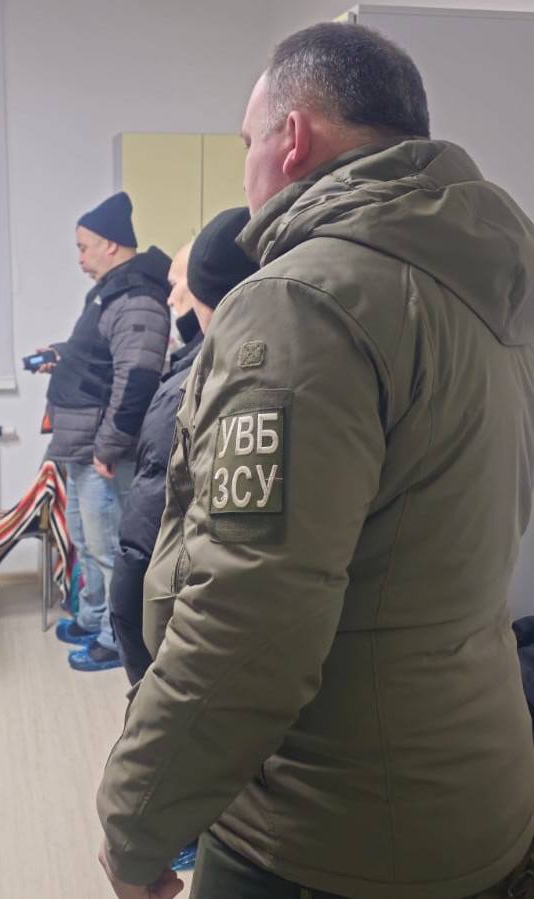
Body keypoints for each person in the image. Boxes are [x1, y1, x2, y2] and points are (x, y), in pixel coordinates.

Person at [97, 22, 534, 899]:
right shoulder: (490, 281)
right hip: (480, 782)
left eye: (246, 144)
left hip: (327, 828)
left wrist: (136, 820)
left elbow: (247, 618)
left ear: (290, 139)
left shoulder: (302, 301)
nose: (245, 173)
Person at [109, 208, 257, 687]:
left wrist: (124, 608)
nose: (171, 297)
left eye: (180, 284)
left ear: (210, 292)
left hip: (185, 607)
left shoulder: (186, 388)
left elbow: (148, 524)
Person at [46, 191, 171, 672]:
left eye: (84, 247)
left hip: (104, 452)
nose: (79, 258)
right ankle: (92, 616)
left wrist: (109, 447)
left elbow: (137, 377)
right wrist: (61, 357)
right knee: (86, 542)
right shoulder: (111, 293)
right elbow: (103, 357)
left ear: (111, 245)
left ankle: (115, 639)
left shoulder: (137, 296)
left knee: (110, 549)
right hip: (84, 447)